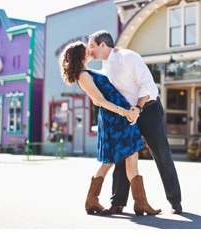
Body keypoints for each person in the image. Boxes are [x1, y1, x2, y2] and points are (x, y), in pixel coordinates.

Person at [59, 41, 161, 217]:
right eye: (86, 49)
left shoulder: (89, 72)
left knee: (125, 157)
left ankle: (134, 203)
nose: (90, 50)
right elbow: (101, 101)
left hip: (119, 117)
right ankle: (132, 203)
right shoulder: (83, 76)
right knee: (117, 158)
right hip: (115, 118)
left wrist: (116, 52)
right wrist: (125, 112)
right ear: (80, 56)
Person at [88, 30, 183, 215]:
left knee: (161, 154)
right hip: (128, 115)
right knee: (122, 157)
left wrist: (138, 109)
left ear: (102, 45)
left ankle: (175, 201)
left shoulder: (128, 57)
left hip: (148, 110)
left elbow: (147, 84)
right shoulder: (104, 68)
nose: (89, 50)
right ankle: (117, 203)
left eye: (92, 45)